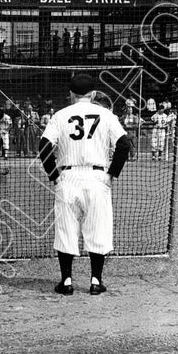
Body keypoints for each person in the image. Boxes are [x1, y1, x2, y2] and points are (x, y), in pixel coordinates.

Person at [38, 73, 130, 295]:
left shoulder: (60, 115)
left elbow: (43, 146)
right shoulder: (106, 114)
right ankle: (96, 281)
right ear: (93, 94)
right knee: (98, 228)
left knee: (66, 229)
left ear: (71, 94)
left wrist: (55, 177)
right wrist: (111, 175)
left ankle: (67, 282)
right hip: (98, 178)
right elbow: (124, 145)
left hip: (68, 178)